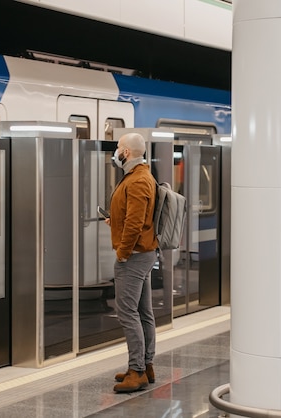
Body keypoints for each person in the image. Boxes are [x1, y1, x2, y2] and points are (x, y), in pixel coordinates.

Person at [105, 132, 159, 393]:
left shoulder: (138, 180)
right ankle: (145, 366)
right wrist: (114, 220)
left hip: (134, 256)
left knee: (127, 313)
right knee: (143, 313)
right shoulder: (139, 176)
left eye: (118, 148)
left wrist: (123, 253)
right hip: (143, 253)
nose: (116, 152)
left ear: (126, 152)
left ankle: (136, 371)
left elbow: (136, 223)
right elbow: (133, 215)